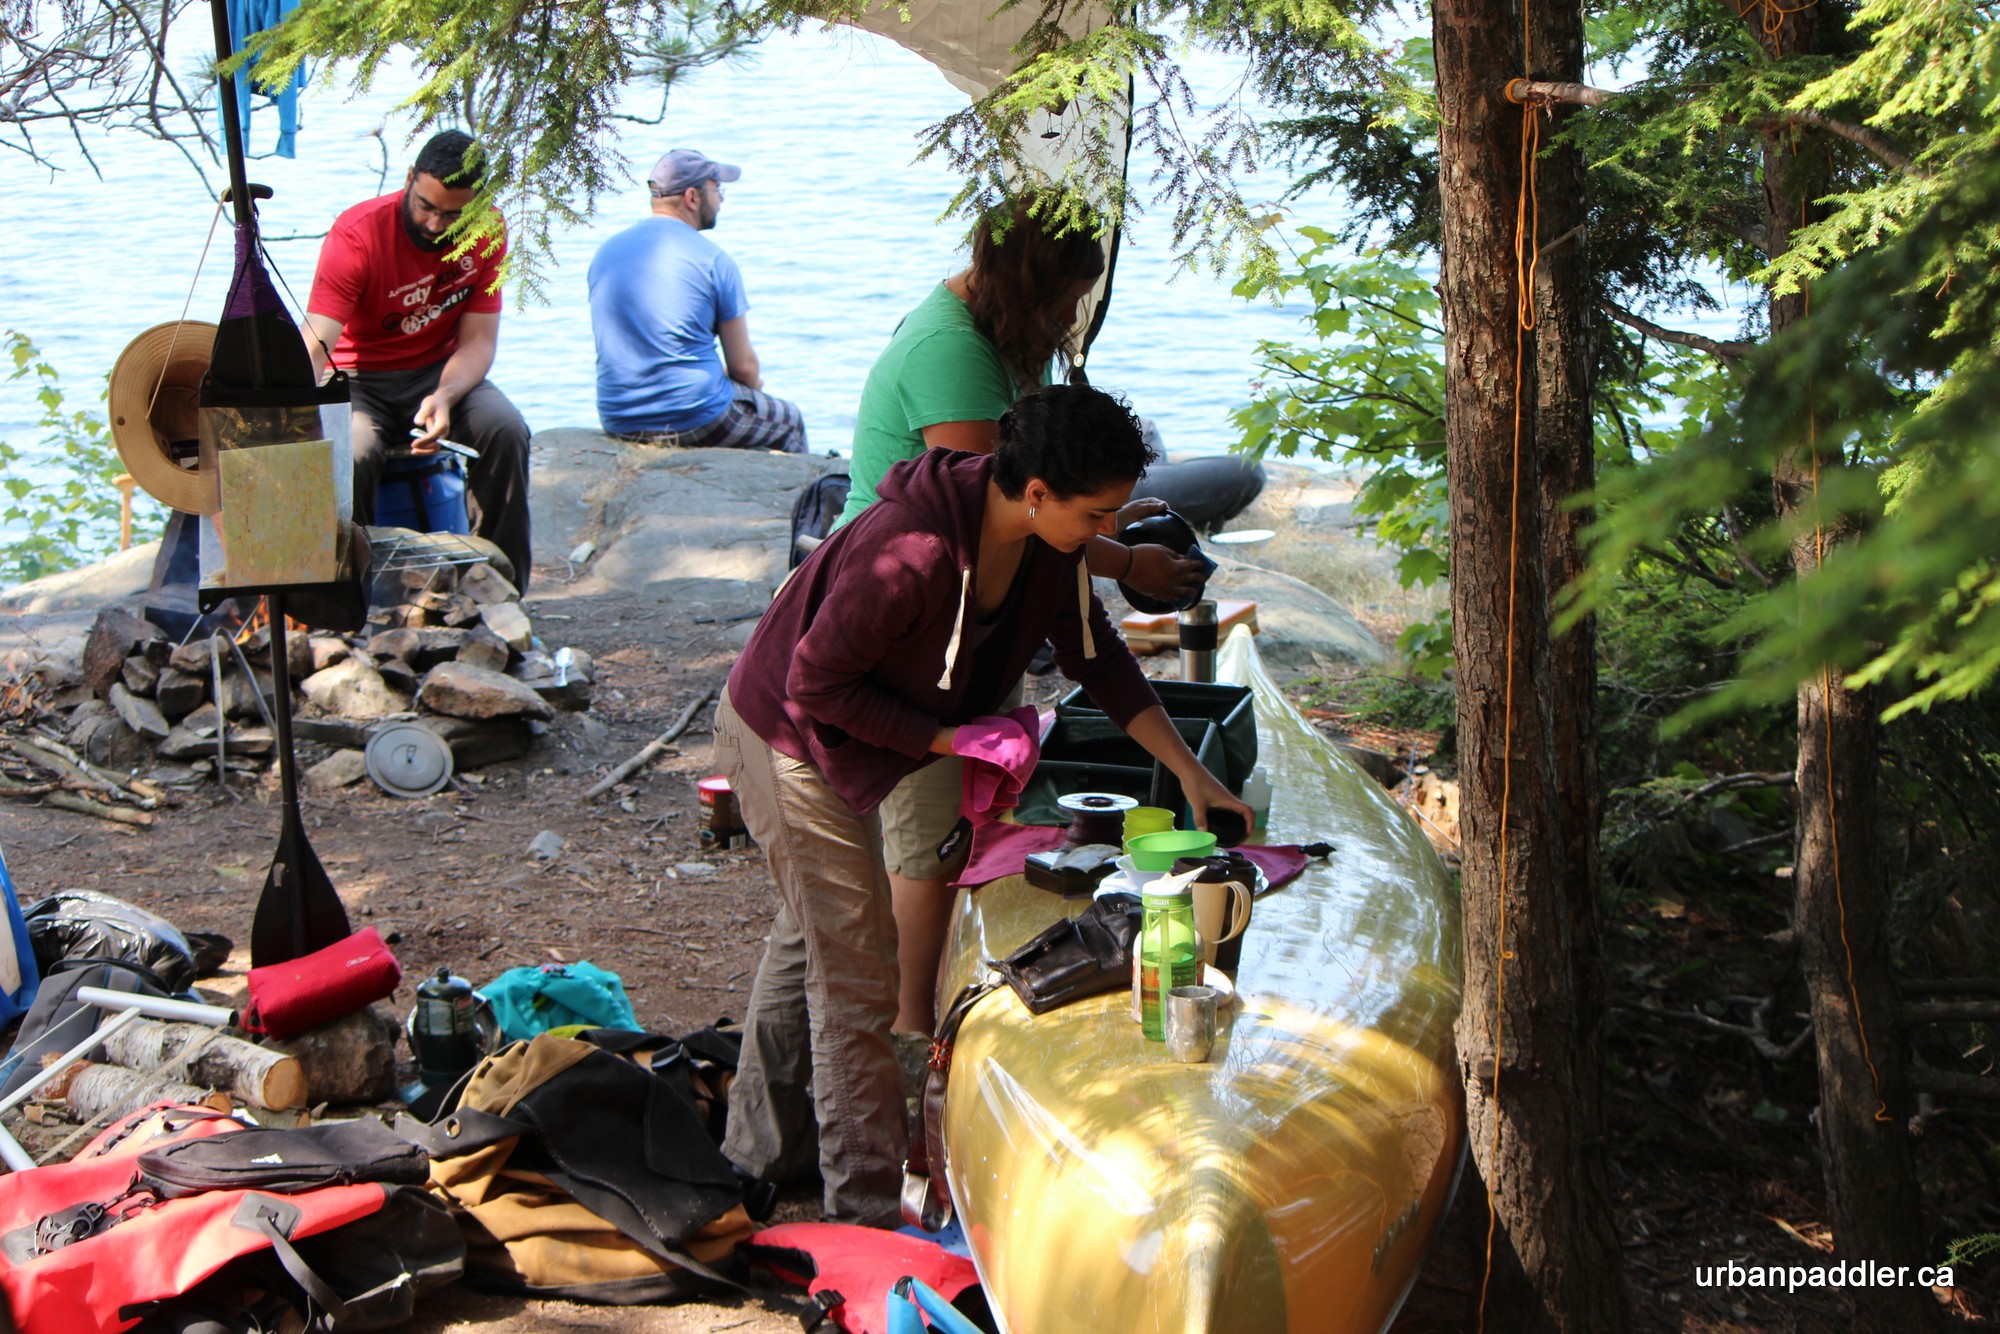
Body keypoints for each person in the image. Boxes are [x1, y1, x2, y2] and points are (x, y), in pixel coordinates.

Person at [715, 383, 1252, 1226]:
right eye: (1098, 513)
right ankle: (865, 1212)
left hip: (857, 727)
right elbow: (814, 684)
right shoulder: (916, 549)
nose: (1109, 532)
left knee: (816, 933)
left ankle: (753, 1153)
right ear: (1036, 492)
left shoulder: (1050, 543)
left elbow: (1097, 658)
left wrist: (1189, 772)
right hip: (784, 733)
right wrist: (950, 740)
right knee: (858, 971)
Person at [839, 199, 1206, 1034]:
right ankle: (912, 1027)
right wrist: (1125, 560)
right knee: (925, 836)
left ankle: (925, 1000)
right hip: (911, 615)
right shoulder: (953, 360)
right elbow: (1007, 512)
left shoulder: (1003, 338)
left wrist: (1106, 518)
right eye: (1067, 301)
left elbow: (1050, 521)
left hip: (971, 610)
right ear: (1028, 289)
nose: (1073, 318)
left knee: (959, 815)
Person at [303, 130, 534, 589]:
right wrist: (285, 415)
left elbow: (479, 341)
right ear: (409, 179)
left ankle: (497, 588)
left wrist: (445, 396)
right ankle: (348, 596)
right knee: (356, 449)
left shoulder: (488, 229)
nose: (434, 224)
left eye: (452, 214)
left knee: (507, 430)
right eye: (425, 206)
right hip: (357, 377)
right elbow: (317, 342)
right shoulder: (359, 233)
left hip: (438, 372)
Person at [588, 149, 806, 452]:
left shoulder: (605, 252)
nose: (722, 199)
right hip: (694, 417)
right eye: (717, 188)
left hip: (618, 417)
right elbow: (744, 368)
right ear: (692, 197)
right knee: (791, 422)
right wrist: (754, 393)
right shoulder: (713, 260)